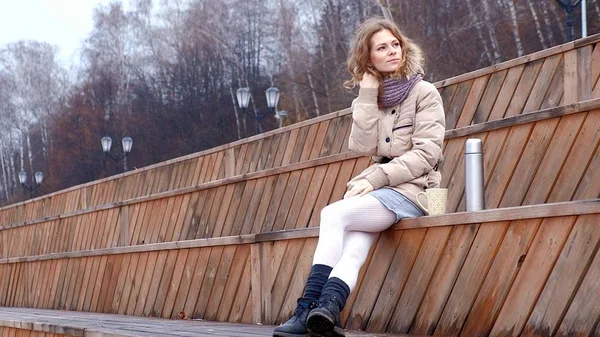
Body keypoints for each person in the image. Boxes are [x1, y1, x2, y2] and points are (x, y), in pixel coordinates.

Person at [273, 17, 445, 337]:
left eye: (396, 44)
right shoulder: (370, 98)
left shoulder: (425, 92)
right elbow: (362, 146)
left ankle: (306, 307)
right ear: (368, 60)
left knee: (333, 214)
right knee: (354, 245)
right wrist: (367, 95)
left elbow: (427, 156)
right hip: (382, 191)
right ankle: (328, 310)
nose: (393, 51)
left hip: (416, 191)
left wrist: (376, 177)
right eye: (382, 47)